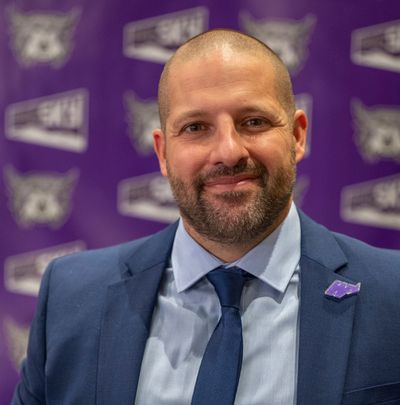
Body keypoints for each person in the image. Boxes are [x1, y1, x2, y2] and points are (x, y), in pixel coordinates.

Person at [12, 29, 400, 405]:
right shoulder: (72, 297)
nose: (228, 152)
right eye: (196, 127)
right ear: (163, 153)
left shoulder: (390, 295)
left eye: (254, 122)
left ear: (297, 136)